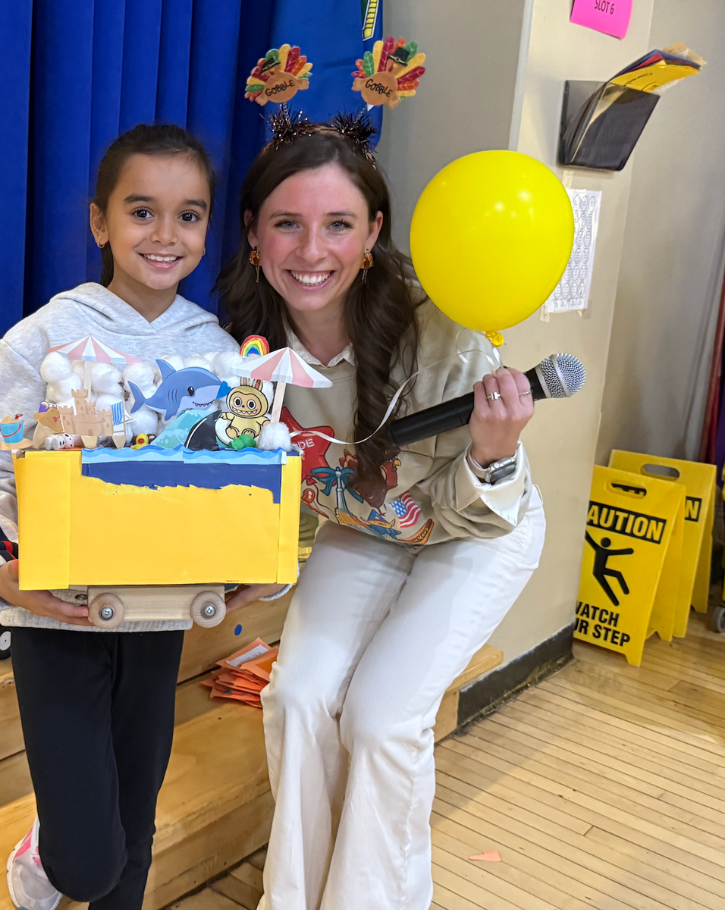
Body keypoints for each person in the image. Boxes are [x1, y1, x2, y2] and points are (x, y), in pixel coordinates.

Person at [218, 118, 546, 910]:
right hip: (371, 526)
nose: (311, 250)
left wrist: (493, 453)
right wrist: (244, 571)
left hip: (476, 526)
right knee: (296, 697)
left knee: (381, 719)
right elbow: (255, 482)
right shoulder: (240, 344)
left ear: (371, 236)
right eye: (287, 224)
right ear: (255, 237)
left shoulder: (443, 339)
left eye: (337, 225)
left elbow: (468, 512)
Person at [0, 124, 239, 910]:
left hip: (157, 625)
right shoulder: (41, 339)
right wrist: (3, 574)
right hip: (59, 625)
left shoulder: (218, 352)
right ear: (99, 222)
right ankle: (44, 855)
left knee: (133, 830)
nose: (166, 234)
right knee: (86, 861)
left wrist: (251, 574)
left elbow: (244, 482)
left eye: (189, 214)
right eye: (142, 211)